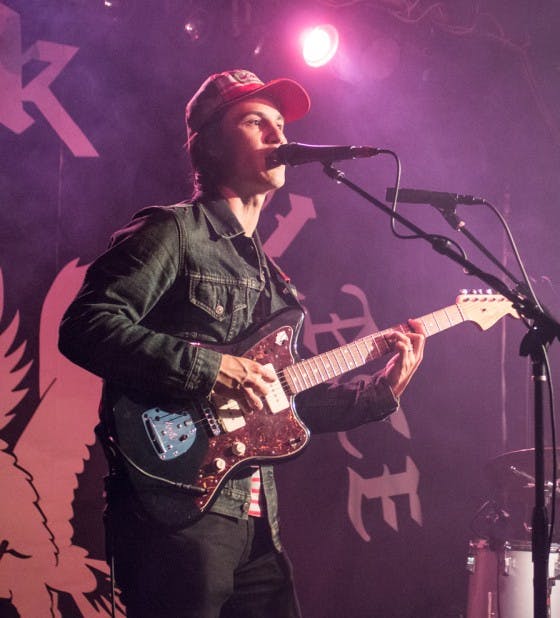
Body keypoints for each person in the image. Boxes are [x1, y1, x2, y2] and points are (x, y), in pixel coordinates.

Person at [58, 69, 426, 617]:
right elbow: (85, 325)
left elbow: (284, 400)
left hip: (256, 522)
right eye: (257, 122)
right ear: (208, 143)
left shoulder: (276, 280)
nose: (279, 137)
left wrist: (380, 392)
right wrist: (210, 369)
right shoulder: (175, 232)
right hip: (176, 509)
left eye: (281, 124)